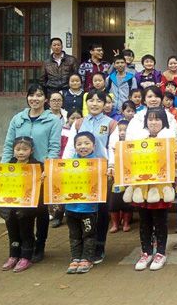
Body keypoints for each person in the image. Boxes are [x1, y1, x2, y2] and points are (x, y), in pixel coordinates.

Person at [1, 84, 62, 264]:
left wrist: (48, 169)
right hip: (18, 170)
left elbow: (54, 147)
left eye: (39, 95)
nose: (35, 99)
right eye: (31, 95)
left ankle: (40, 245)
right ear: (27, 97)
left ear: (45, 99)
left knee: (40, 210)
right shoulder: (17, 118)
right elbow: (8, 144)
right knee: (18, 209)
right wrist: (3, 169)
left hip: (41, 170)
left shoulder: (53, 120)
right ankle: (21, 245)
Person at [63, 89, 117, 264]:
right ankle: (81, 249)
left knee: (101, 210)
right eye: (91, 100)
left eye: (99, 101)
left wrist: (111, 166)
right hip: (79, 173)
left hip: (101, 173)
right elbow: (70, 148)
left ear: (105, 104)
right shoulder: (79, 123)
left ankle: (98, 247)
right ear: (86, 103)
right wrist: (64, 167)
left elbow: (113, 148)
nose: (95, 103)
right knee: (79, 209)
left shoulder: (111, 124)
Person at [126, 107, 177, 271]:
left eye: (157, 119)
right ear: (145, 122)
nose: (153, 122)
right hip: (142, 188)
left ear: (164, 121)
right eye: (150, 119)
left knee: (160, 221)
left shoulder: (169, 140)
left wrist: (174, 157)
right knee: (144, 221)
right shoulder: (138, 141)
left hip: (160, 189)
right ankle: (146, 252)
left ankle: (161, 252)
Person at [0, 136, 42, 273]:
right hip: (10, 205)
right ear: (13, 150)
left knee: (26, 231)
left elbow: (41, 188)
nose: (21, 152)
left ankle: (26, 256)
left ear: (31, 150)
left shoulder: (37, 166)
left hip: (27, 207)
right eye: (18, 149)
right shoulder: (9, 165)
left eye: (25, 149)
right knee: (12, 231)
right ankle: (13, 255)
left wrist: (43, 179)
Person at [65, 132, 100, 274]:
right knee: (74, 234)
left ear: (94, 146)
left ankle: (87, 258)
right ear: (74, 147)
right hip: (70, 207)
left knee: (89, 234)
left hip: (89, 208)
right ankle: (75, 258)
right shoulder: (67, 164)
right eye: (79, 144)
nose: (83, 146)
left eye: (87, 143)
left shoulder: (99, 164)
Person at [107, 120, 132, 234]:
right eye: (120, 130)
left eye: (125, 130)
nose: (122, 133)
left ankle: (126, 223)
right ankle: (115, 224)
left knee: (127, 201)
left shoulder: (133, 143)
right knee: (114, 201)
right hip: (116, 176)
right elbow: (110, 158)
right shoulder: (113, 145)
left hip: (129, 176)